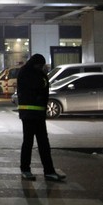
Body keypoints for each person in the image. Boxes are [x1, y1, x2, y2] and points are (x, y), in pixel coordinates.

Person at [16, 53, 65, 182]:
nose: (41, 67)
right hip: (29, 115)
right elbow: (37, 87)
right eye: (40, 65)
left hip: (39, 115)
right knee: (28, 142)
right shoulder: (27, 73)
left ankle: (49, 171)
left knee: (44, 143)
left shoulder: (37, 73)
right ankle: (25, 169)